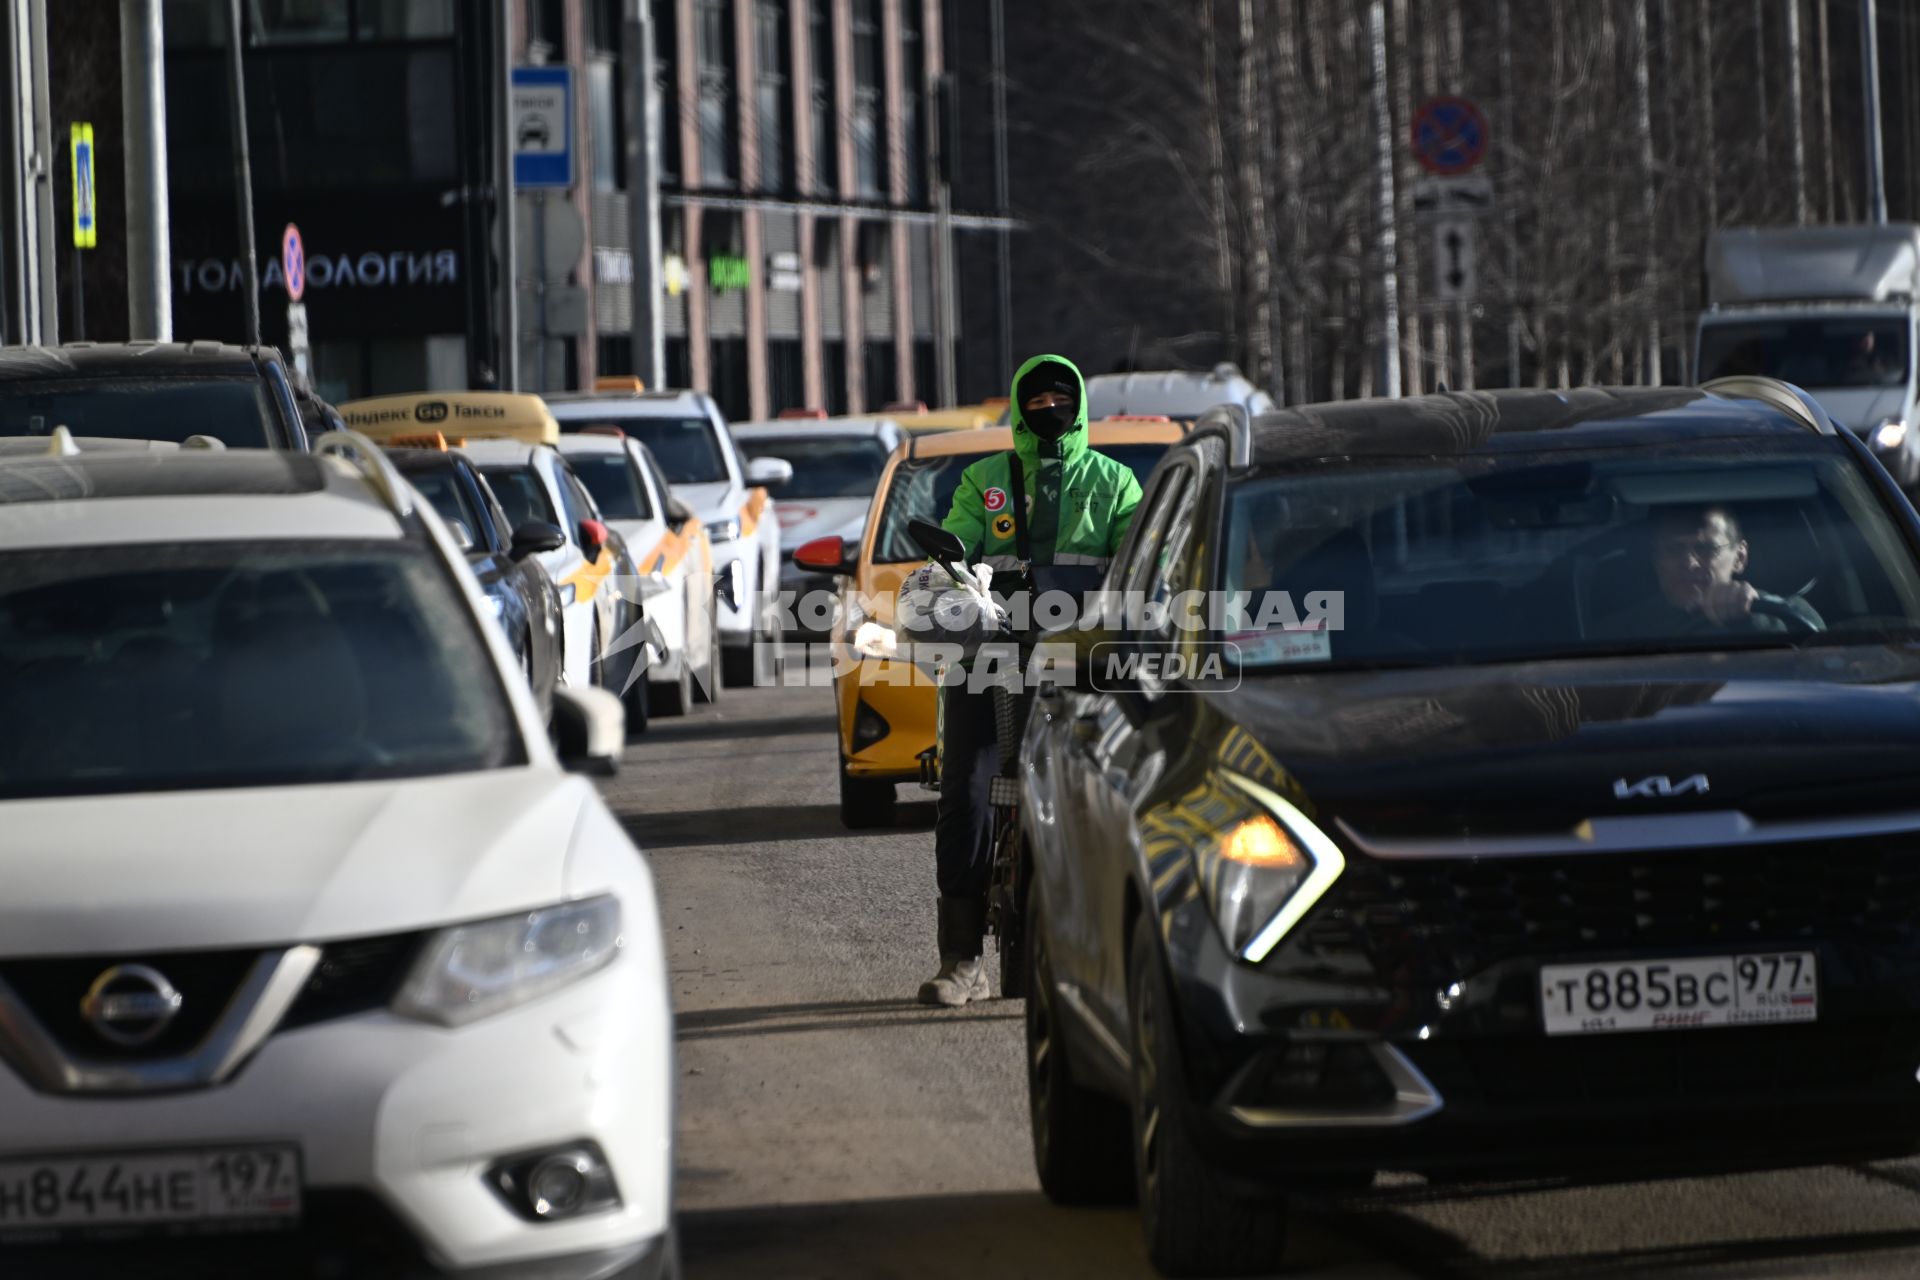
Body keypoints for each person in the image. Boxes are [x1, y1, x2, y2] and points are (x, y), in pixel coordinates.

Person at [917, 354, 1142, 1006]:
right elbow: (951, 552)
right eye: (1036, 401)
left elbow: (1133, 567)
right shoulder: (983, 481)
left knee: (1103, 796)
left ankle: (1104, 953)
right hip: (988, 659)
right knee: (964, 787)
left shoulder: (1116, 483)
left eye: (1059, 399)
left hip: (1082, 665)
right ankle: (962, 960)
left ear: (1078, 406)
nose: (1049, 409)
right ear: (1020, 408)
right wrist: (954, 581)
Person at [1597, 505, 1823, 637]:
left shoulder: (1789, 614)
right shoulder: (1618, 633)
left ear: (1740, 557)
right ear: (1655, 559)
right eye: (1673, 549)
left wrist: (1756, 619)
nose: (1689, 563)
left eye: (1706, 549)